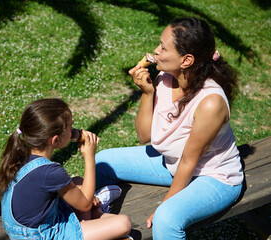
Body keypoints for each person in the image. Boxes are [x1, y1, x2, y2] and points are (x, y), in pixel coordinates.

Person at [95, 17, 244, 239]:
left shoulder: (210, 102)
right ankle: (90, 221)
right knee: (102, 162)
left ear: (186, 60)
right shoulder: (164, 78)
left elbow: (189, 161)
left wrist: (165, 205)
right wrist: (147, 93)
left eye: (163, 48)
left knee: (166, 220)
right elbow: (144, 135)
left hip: (213, 176)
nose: (155, 51)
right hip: (172, 163)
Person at [0, 98, 131, 240]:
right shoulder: (50, 172)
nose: (73, 131)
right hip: (41, 235)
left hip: (24, 229)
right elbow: (85, 204)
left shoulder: (21, 155)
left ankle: (95, 220)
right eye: (70, 127)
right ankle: (98, 215)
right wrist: (89, 157)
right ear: (55, 140)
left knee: (77, 181)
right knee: (123, 224)